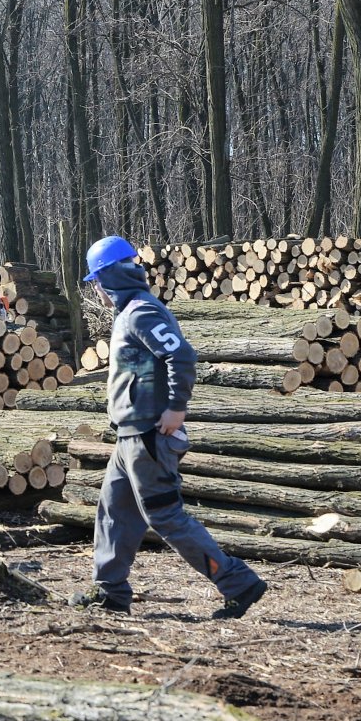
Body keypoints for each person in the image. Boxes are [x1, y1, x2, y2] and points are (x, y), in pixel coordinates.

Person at [75, 235, 267, 619]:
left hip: (148, 436)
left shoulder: (141, 312)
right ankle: (110, 591)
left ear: (111, 276)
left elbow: (180, 356)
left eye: (97, 280)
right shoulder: (128, 311)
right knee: (114, 511)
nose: (96, 290)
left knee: (165, 516)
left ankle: (238, 582)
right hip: (128, 435)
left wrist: (177, 409)